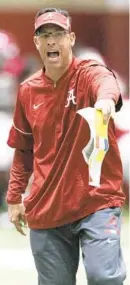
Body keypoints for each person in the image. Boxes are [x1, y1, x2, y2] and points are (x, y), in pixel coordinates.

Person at [6, 7, 126, 285]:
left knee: (104, 278)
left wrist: (106, 102)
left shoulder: (88, 73)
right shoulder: (27, 91)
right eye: (44, 35)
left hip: (96, 200)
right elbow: (23, 148)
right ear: (36, 42)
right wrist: (14, 197)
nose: (51, 41)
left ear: (70, 38)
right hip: (47, 207)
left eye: (58, 34)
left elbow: (106, 83)